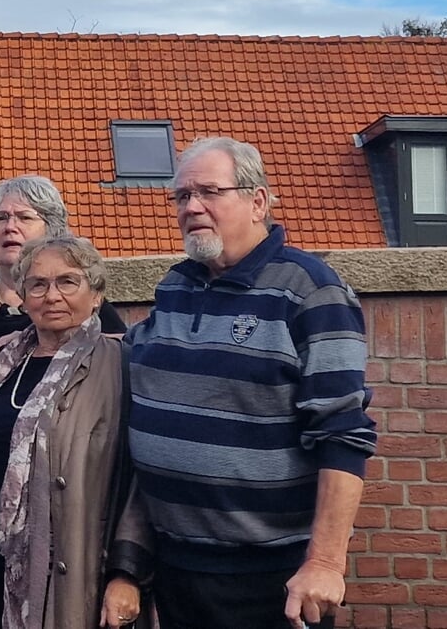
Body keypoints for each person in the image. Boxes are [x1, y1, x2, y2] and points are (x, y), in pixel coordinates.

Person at [124, 138, 376, 629]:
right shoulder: (176, 286)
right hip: (177, 569)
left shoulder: (311, 291)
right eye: (181, 196)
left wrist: (325, 563)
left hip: (269, 579)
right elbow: (125, 353)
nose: (192, 207)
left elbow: (343, 436)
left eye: (209, 192)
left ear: (257, 201)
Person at [0, 234, 150, 629]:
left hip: (77, 572)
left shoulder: (122, 369)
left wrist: (128, 573)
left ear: (96, 296)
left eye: (68, 281)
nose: (51, 295)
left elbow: (142, 480)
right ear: (22, 297)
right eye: (38, 284)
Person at [0, 176, 124, 388]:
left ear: (51, 230)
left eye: (24, 217)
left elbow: (122, 352)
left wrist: (30, 340)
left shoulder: (77, 303)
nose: (10, 227)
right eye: (1, 218)